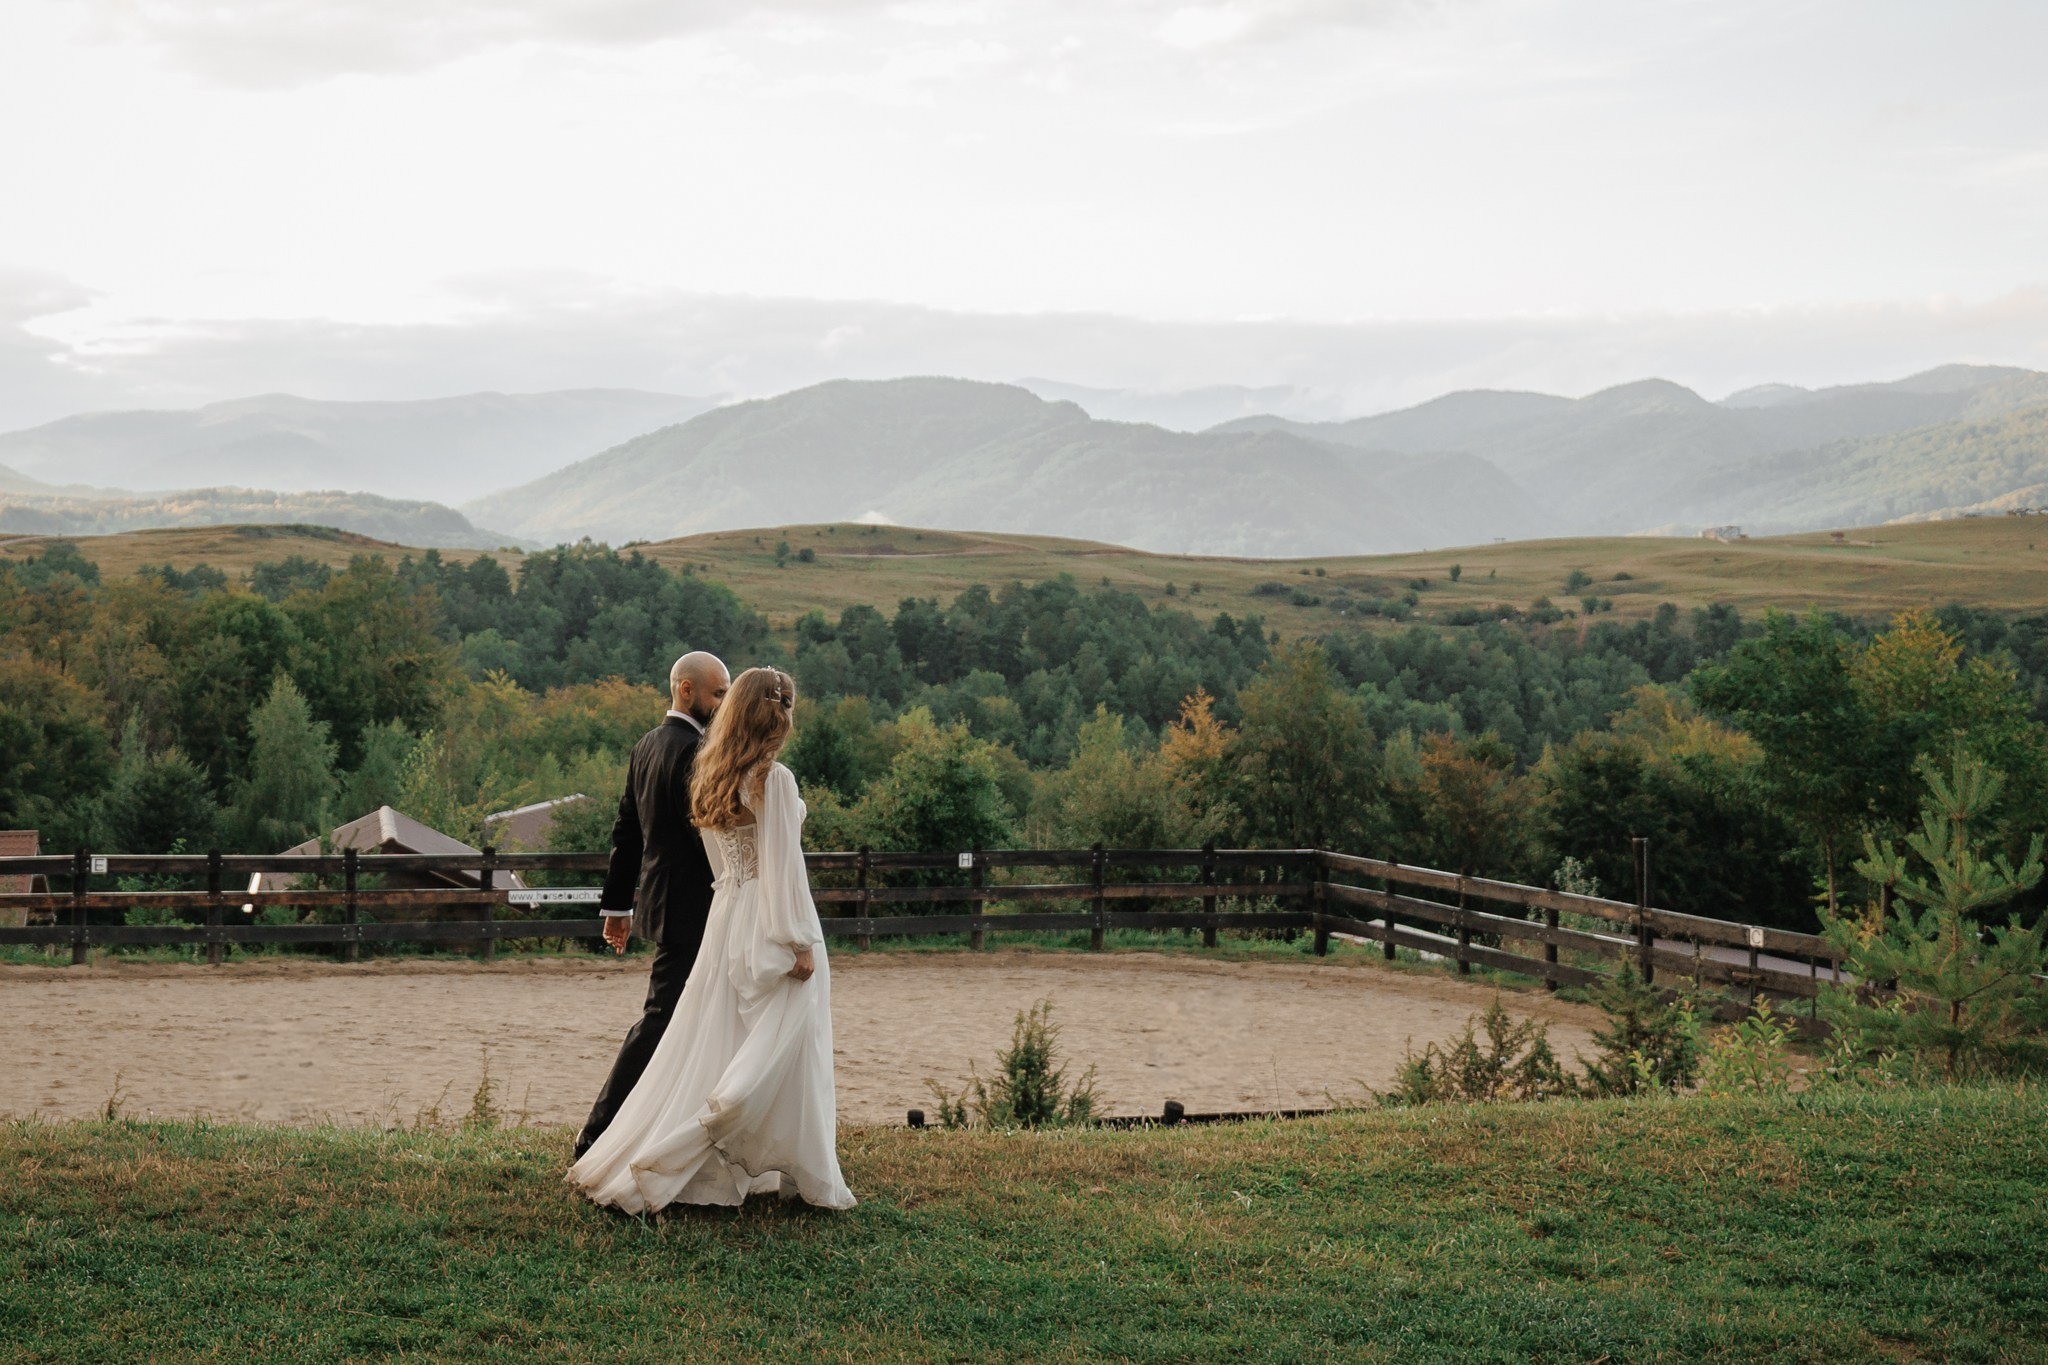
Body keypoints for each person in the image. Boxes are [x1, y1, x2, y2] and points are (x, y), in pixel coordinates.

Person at [568, 666, 854, 1212]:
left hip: (726, 912)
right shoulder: (773, 777)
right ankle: (737, 1140)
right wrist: (796, 941)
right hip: (768, 915)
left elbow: (717, 863)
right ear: (780, 712)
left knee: (709, 1037)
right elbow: (783, 869)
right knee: (781, 1039)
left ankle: (737, 1160)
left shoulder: (713, 771)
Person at [572, 650, 730, 1161]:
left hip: (663, 902)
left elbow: (627, 833)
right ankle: (597, 1133)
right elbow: (705, 839)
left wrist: (618, 907)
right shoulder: (696, 752)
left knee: (685, 1019)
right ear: (686, 690)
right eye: (717, 693)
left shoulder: (645, 746)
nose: (723, 703)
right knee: (660, 1021)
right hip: (695, 908)